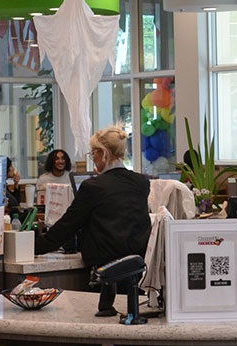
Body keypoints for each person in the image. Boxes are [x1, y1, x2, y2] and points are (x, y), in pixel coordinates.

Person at [35, 125, 151, 313]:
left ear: (103, 153)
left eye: (93, 154)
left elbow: (66, 227)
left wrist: (33, 247)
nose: (93, 158)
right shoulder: (141, 182)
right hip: (138, 271)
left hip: (107, 273)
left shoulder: (93, 187)